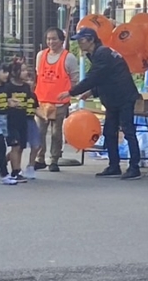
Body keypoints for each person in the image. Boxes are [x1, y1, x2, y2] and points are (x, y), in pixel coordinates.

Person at [59, 27, 142, 180]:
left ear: (91, 39)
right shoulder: (98, 53)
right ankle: (114, 165)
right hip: (113, 98)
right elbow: (105, 77)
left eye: (81, 40)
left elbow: (93, 77)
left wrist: (71, 92)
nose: (79, 43)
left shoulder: (102, 53)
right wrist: (92, 92)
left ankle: (134, 167)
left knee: (128, 131)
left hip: (123, 97)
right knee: (110, 132)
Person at [33, 27, 78, 172]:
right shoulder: (41, 55)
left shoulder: (69, 58)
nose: (51, 42)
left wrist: (70, 94)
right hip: (42, 101)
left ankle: (54, 159)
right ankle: (40, 158)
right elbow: (38, 73)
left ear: (61, 40)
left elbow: (75, 79)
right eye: (48, 39)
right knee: (39, 131)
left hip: (59, 103)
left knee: (56, 133)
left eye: (54, 39)